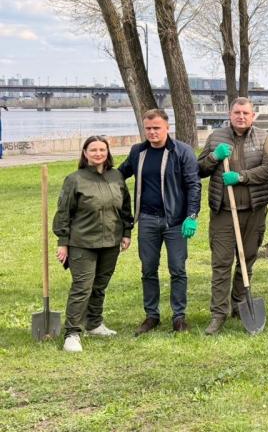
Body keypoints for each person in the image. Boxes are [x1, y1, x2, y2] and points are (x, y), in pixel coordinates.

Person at [197, 98, 268, 335]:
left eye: (246, 113)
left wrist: (241, 177)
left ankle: (239, 304)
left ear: (253, 116)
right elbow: (199, 169)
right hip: (224, 212)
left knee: (247, 260)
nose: (241, 116)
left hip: (254, 210)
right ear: (230, 114)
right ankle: (218, 313)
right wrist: (213, 157)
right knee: (221, 263)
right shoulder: (216, 138)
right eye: (237, 112)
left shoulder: (264, 139)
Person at [118, 109, 201, 335]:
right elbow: (120, 174)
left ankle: (179, 317)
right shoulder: (138, 152)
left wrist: (191, 216)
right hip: (146, 220)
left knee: (177, 269)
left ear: (167, 127)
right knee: (148, 269)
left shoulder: (182, 152)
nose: (152, 132)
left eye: (157, 128)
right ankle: (151, 316)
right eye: (148, 128)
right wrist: (94, 175)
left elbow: (194, 185)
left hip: (174, 222)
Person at [53, 136, 133, 352]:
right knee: (82, 287)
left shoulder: (116, 176)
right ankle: (72, 333)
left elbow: (125, 207)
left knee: (100, 285)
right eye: (93, 150)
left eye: (102, 149)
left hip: (111, 241)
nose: (98, 153)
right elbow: (63, 212)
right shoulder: (75, 179)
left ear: (107, 152)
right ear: (85, 153)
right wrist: (63, 242)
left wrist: (126, 233)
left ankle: (94, 323)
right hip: (82, 243)